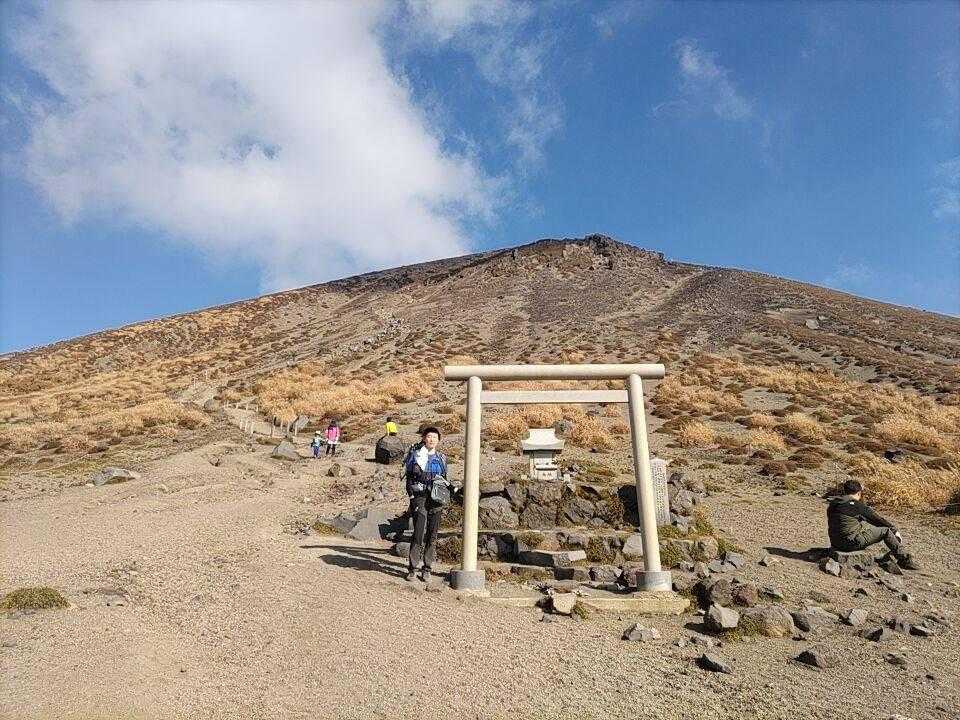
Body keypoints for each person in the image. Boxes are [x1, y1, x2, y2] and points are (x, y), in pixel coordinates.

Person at [827, 479, 919, 569]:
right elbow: (877, 520)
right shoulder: (857, 506)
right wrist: (894, 530)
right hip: (849, 544)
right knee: (886, 531)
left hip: (835, 542)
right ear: (859, 493)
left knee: (862, 525)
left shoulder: (834, 503)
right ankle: (904, 560)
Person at [405, 426, 448, 582]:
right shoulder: (415, 456)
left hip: (436, 499)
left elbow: (444, 478)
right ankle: (412, 568)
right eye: (429, 436)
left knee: (432, 534)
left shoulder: (442, 458)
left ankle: (427, 568)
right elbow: (409, 477)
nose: (432, 439)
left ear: (438, 440)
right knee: (418, 532)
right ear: (424, 438)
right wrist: (411, 496)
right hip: (420, 497)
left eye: (435, 437)